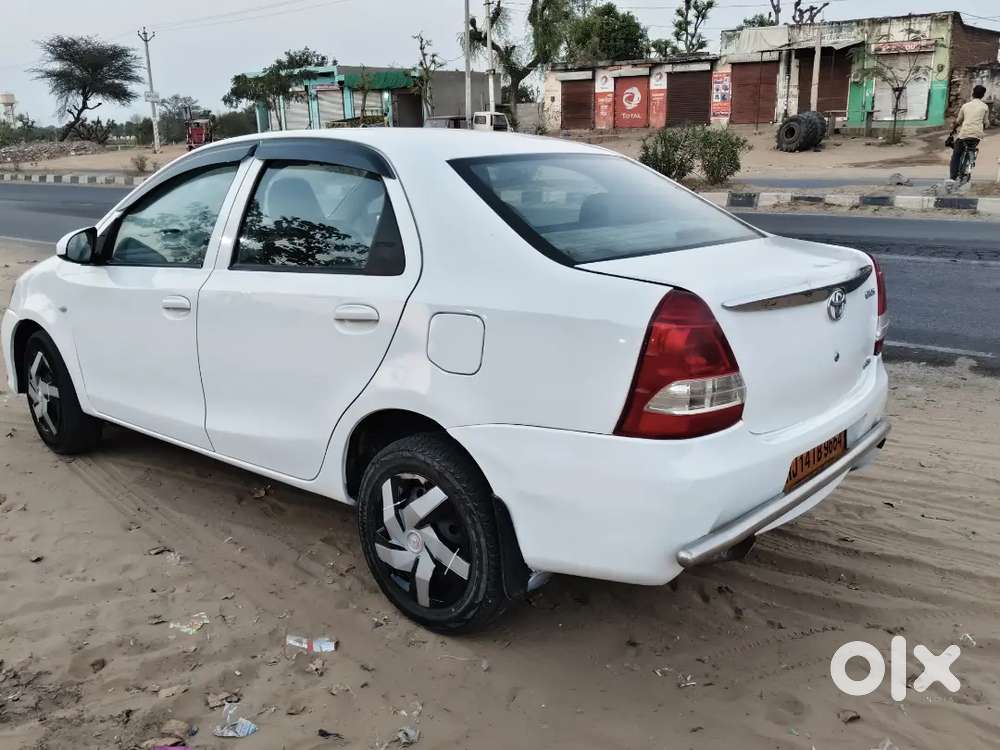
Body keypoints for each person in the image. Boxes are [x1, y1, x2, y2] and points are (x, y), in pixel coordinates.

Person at [949, 84, 990, 182]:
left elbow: (958, 121)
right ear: (983, 95)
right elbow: (986, 123)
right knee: (971, 147)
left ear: (973, 93)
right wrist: (983, 126)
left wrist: (953, 129)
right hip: (977, 135)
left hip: (964, 134)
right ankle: (968, 166)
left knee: (956, 155)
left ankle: (953, 177)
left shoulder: (965, 106)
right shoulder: (985, 107)